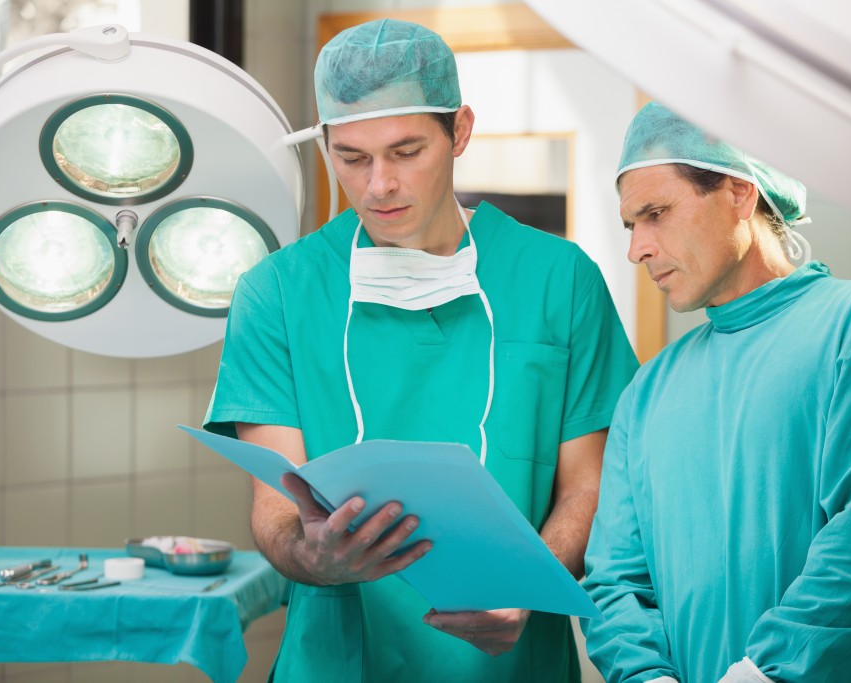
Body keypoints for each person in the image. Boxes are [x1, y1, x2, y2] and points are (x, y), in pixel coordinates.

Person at [203, 18, 638, 683]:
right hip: (335, 662)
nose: (379, 184)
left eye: (406, 151)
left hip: (510, 663)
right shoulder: (280, 293)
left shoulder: (558, 279)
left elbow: (590, 483)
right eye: (351, 157)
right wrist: (312, 553)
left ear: (460, 131)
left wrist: (529, 584)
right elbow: (276, 504)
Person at [583, 101, 851, 683]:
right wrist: (646, 676)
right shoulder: (649, 390)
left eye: (656, 214)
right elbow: (615, 579)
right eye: (632, 225)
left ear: (739, 193)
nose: (638, 249)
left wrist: (762, 675)